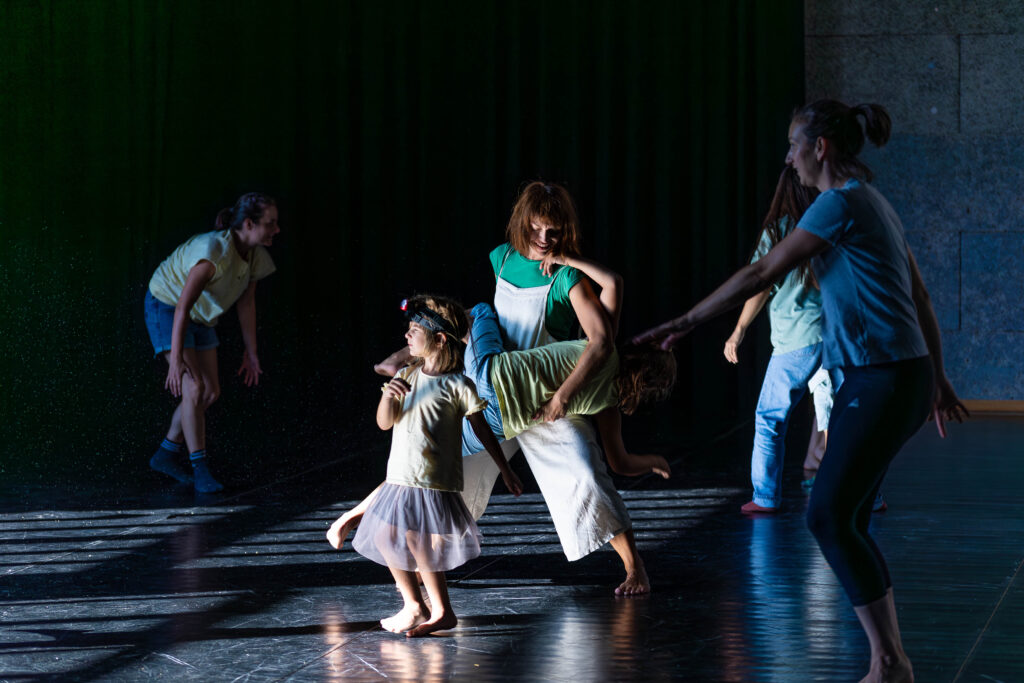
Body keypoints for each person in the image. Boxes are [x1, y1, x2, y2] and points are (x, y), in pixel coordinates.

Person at [632, 100, 968, 682]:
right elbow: (920, 297)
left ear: (820, 147)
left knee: (829, 516)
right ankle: (888, 660)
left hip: (883, 377)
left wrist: (685, 321)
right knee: (844, 516)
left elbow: (761, 273)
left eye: (793, 145)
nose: (788, 158)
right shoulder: (874, 202)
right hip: (901, 375)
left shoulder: (837, 205)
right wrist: (936, 377)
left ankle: (890, 661)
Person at [374, 182, 652, 596]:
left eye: (553, 231)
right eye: (537, 228)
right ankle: (424, 563)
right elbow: (478, 330)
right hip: (498, 393)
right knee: (450, 470)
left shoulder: (568, 277)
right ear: (522, 222)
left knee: (585, 475)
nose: (544, 238)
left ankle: (634, 568)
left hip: (546, 396)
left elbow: (600, 339)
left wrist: (561, 398)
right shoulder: (501, 258)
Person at [328, 296, 676, 552]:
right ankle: (352, 517)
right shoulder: (610, 406)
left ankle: (406, 360)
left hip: (492, 376)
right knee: (421, 462)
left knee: (479, 312)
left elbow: (613, 286)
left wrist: (570, 262)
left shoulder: (601, 346)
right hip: (498, 423)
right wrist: (654, 461)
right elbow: (620, 462)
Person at [348, 294, 523, 637]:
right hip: (400, 477)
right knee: (385, 535)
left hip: (430, 480)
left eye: (415, 330)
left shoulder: (458, 385)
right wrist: (388, 395)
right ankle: (416, 605)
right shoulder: (407, 375)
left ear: (440, 339)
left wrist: (505, 468)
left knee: (418, 542)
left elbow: (482, 430)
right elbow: (384, 423)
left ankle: (440, 610)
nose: (407, 335)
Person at [144, 192, 280, 493]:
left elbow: (246, 304)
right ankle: (200, 469)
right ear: (249, 224)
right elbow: (181, 306)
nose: (277, 229)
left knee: (210, 392)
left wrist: (252, 352)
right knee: (194, 388)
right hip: (167, 306)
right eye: (270, 223)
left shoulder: (256, 255)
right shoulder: (213, 252)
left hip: (200, 315)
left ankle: (165, 453)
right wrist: (175, 358)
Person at [722, 167, 823, 513]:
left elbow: (759, 284)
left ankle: (765, 496)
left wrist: (739, 329)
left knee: (770, 417)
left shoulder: (779, 232)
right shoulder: (829, 227)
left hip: (797, 339)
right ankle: (870, 497)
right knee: (840, 419)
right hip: (834, 337)